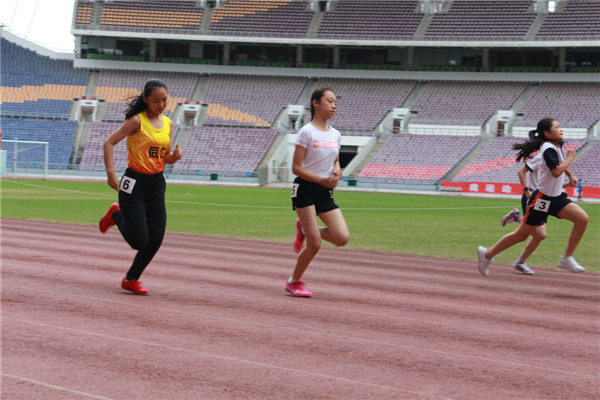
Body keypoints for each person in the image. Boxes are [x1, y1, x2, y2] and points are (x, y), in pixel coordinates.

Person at [99, 78, 183, 294]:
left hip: (156, 184)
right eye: (156, 101)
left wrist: (173, 158)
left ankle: (131, 279)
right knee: (139, 241)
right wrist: (110, 173)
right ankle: (116, 215)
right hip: (134, 183)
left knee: (155, 239)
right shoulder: (137, 121)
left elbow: (163, 157)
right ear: (146, 99)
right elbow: (109, 142)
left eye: (165, 100)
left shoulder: (168, 124)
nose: (162, 105)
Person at [477, 118, 588, 276]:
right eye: (557, 127)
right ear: (547, 133)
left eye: (560, 126)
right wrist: (571, 158)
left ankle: (567, 258)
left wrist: (569, 175)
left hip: (556, 198)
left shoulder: (555, 147)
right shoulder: (548, 148)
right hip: (542, 200)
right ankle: (487, 255)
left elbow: (558, 167)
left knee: (582, 219)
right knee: (522, 235)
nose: (561, 129)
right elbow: (556, 171)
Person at [286, 88, 349, 297]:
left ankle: (304, 230)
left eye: (335, 103)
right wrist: (322, 179)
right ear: (315, 103)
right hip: (304, 188)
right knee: (315, 243)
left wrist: (337, 169)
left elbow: (335, 158)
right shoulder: (306, 132)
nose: (333, 106)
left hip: (325, 191)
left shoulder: (335, 134)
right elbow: (296, 167)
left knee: (341, 237)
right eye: (329, 101)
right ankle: (294, 282)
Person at [499, 151, 577, 275]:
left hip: (543, 200)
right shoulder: (541, 158)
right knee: (536, 233)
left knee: (540, 235)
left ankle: (520, 261)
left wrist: (568, 182)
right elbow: (521, 172)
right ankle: (518, 260)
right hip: (534, 198)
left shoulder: (549, 162)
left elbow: (550, 186)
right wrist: (526, 190)